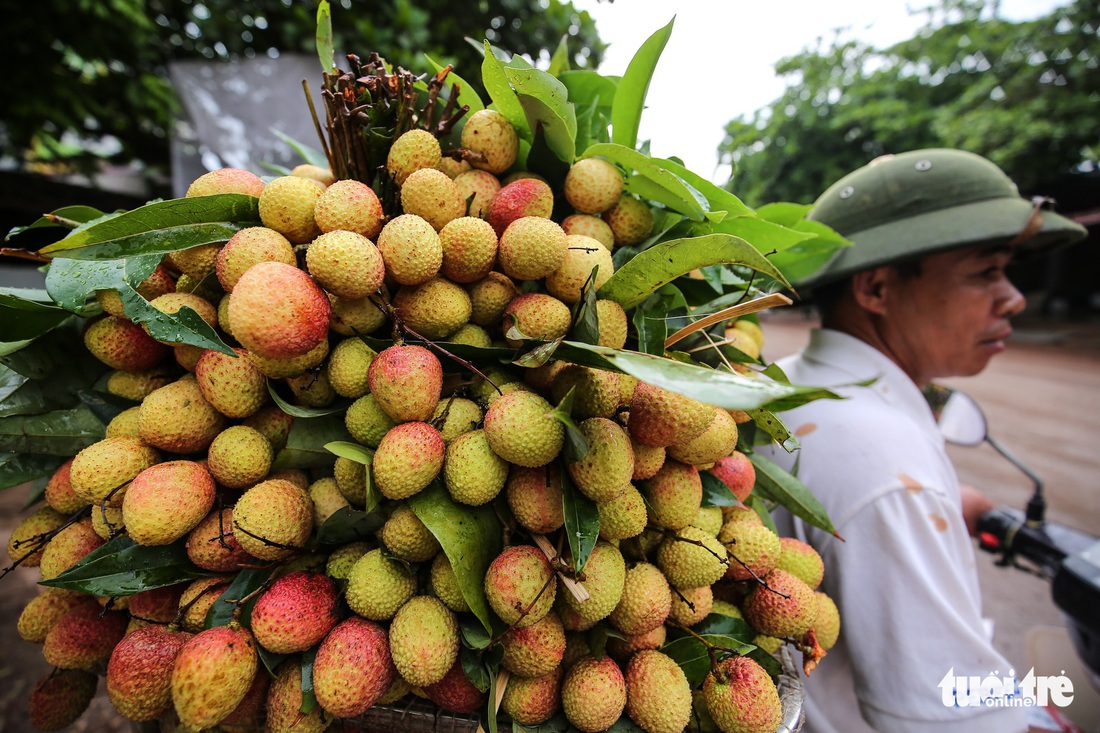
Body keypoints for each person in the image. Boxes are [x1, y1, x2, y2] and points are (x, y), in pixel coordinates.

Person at [761, 149, 1087, 733]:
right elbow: (952, 717)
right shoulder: (882, 462)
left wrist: (950, 502)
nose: (1013, 296)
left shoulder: (792, 381)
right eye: (986, 272)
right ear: (877, 288)